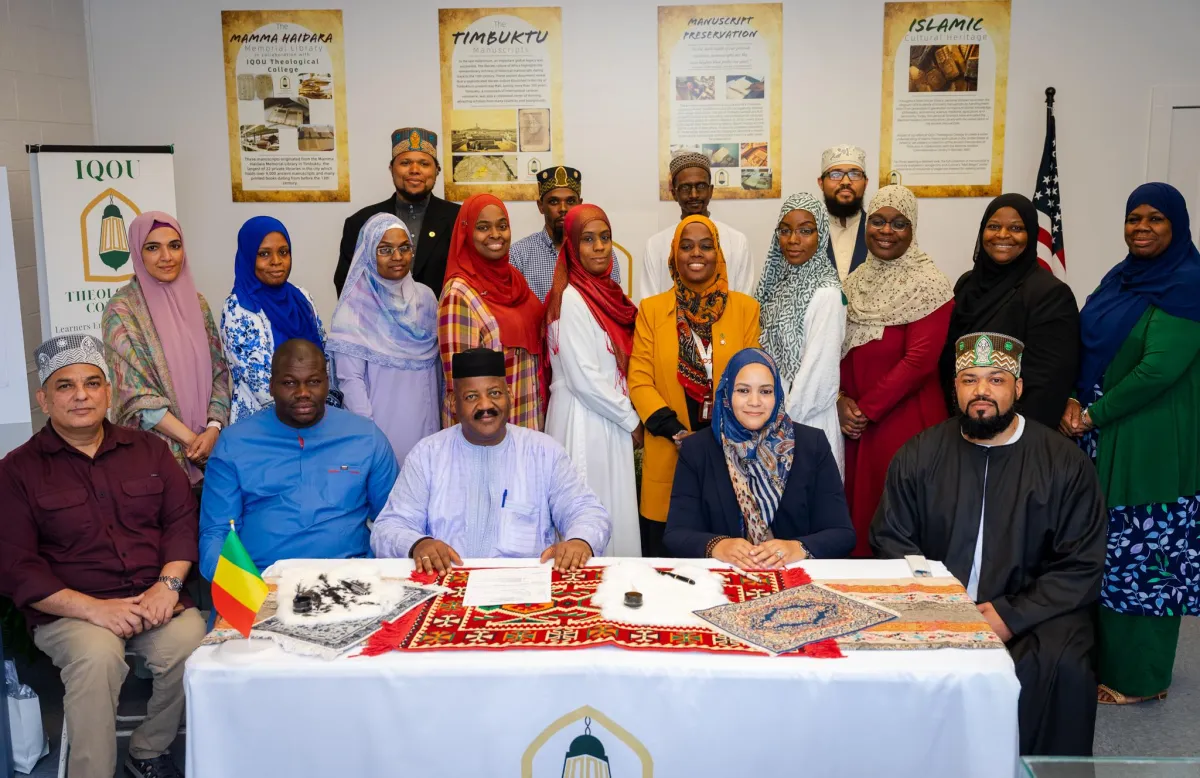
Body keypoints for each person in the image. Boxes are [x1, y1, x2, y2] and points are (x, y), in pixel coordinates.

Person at [872, 331, 1106, 756]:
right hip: (936, 605)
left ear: (1018, 388)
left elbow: (1081, 564)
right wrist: (944, 605)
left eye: (996, 380)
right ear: (955, 388)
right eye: (969, 380)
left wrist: (1011, 614)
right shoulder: (919, 454)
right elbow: (891, 538)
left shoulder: (1063, 462)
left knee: (1063, 665)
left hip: (1034, 609)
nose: (982, 391)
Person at [0, 335, 205, 778]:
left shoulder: (149, 450)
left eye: (92, 383)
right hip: (69, 612)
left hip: (154, 600)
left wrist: (168, 586)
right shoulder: (16, 470)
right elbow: (15, 565)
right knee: (97, 658)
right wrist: (94, 609)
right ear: (43, 398)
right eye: (65, 386)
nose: (81, 396)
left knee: (195, 645)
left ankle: (150, 751)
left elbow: (181, 522)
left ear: (108, 392)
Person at [1060, 182, 1200, 705]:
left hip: (1152, 442)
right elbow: (1088, 345)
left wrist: (1093, 412)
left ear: (1177, 225)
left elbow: (1157, 370)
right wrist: (1074, 401)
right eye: (1133, 218)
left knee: (1146, 557)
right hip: (1097, 431)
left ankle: (1141, 678)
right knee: (1105, 553)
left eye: (1155, 219)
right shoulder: (1120, 279)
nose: (1141, 228)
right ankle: (1105, 661)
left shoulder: (1188, 285)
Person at [371, 348, 611, 571]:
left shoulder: (543, 452)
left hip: (524, 589)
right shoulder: (428, 455)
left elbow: (587, 511)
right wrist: (418, 544)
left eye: (495, 393)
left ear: (510, 395)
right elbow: (388, 527)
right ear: (454, 403)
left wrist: (580, 541)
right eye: (472, 396)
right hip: (448, 586)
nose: (485, 405)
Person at [199, 340, 398, 579]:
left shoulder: (366, 437)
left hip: (350, 582)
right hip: (263, 583)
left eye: (313, 382)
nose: (303, 393)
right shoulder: (233, 443)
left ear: (327, 383)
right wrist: (240, 587)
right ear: (271, 386)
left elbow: (394, 520)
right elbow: (216, 533)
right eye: (289, 383)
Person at [630, 215, 761, 557]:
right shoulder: (652, 310)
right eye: (686, 246)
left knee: (726, 560)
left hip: (727, 453)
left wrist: (718, 434)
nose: (696, 253)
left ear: (718, 253)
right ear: (673, 256)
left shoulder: (746, 309)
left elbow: (752, 379)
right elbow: (640, 378)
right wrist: (676, 432)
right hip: (669, 447)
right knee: (665, 563)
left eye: (706, 245)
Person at [839, 185, 953, 556]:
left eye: (899, 223)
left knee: (897, 519)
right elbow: (838, 352)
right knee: (859, 513)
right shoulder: (855, 282)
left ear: (912, 228)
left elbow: (919, 362)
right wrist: (841, 401)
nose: (886, 231)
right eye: (878, 221)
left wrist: (866, 409)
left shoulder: (929, 284)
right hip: (856, 427)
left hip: (904, 424)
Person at [665, 348, 854, 563]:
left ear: (777, 395)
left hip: (794, 577)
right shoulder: (698, 449)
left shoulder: (812, 445)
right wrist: (718, 546)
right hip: (724, 579)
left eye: (765, 391)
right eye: (743, 390)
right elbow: (676, 534)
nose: (754, 402)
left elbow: (842, 533)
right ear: (727, 394)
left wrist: (797, 548)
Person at [102, 211, 231, 485]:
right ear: (137, 252)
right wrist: (192, 440)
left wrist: (213, 429)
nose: (167, 256)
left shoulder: (198, 303)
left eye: (174, 245)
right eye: (153, 248)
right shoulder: (122, 310)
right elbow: (135, 396)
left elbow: (219, 371)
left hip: (212, 447)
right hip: (154, 455)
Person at [544, 204, 641, 556]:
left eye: (605, 238)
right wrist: (632, 419)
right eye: (588, 239)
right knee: (591, 511)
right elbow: (584, 378)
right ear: (571, 246)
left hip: (608, 418)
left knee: (615, 511)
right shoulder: (571, 298)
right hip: (583, 421)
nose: (600, 246)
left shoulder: (607, 294)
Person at [939, 193, 1079, 429]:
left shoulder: (1050, 293)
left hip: (1013, 433)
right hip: (959, 424)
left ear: (1031, 235)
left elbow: (1048, 383)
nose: (1003, 235)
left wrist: (1009, 435)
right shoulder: (967, 284)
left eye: (1016, 228)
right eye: (994, 226)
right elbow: (949, 356)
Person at [328, 213, 440, 466]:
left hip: (428, 419)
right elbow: (350, 380)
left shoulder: (426, 299)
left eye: (404, 248)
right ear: (368, 253)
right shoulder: (354, 307)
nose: (397, 257)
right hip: (382, 426)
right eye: (385, 249)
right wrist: (369, 434)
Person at [754, 193, 847, 476]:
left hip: (806, 425)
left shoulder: (828, 294)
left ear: (820, 235)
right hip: (769, 421)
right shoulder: (776, 286)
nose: (793, 239)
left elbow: (818, 377)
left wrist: (776, 430)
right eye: (786, 230)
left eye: (805, 230)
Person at [438, 193, 545, 429]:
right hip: (486, 430)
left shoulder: (514, 280)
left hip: (526, 418)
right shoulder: (459, 294)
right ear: (466, 233)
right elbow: (461, 386)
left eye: (502, 226)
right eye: (483, 227)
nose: (495, 234)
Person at [221, 215, 332, 424]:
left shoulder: (302, 297)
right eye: (264, 254)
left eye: (283, 252)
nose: (276, 262)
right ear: (248, 257)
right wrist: (307, 408)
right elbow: (262, 384)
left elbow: (322, 356)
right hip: (263, 423)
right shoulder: (239, 308)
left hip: (310, 415)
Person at [334, 127, 460, 297]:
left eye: (424, 163)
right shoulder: (361, 222)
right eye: (405, 163)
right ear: (391, 168)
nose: (415, 170)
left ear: (436, 171)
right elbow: (346, 283)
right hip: (377, 322)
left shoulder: (459, 219)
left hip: (444, 320)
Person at [636, 151, 755, 302]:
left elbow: (743, 303)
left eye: (700, 186)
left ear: (711, 191)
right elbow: (650, 304)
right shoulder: (655, 245)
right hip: (668, 325)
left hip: (728, 325)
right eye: (685, 188)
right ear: (674, 193)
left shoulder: (737, 241)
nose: (693, 195)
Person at [509, 166, 621, 301]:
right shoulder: (518, 255)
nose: (563, 209)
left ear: (580, 204)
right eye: (554, 202)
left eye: (570, 201)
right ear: (540, 206)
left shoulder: (599, 252)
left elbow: (612, 302)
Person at [818, 144, 870, 280]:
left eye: (855, 174)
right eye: (835, 174)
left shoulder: (880, 232)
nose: (846, 181)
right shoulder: (807, 231)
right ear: (821, 183)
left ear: (866, 183)